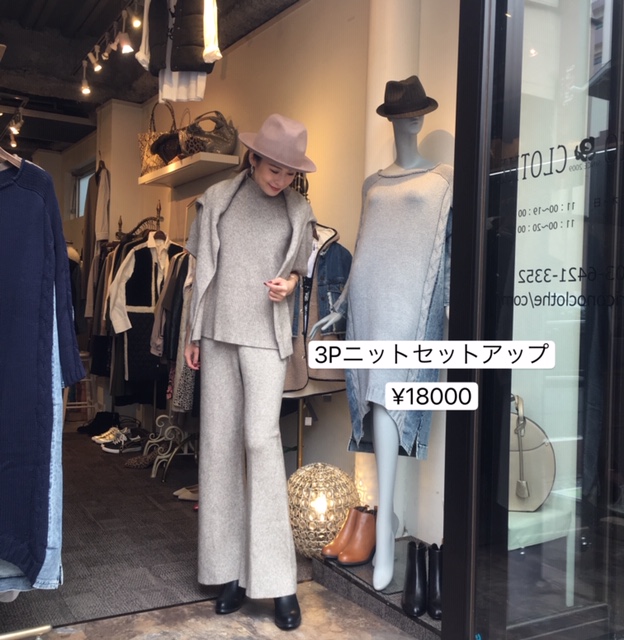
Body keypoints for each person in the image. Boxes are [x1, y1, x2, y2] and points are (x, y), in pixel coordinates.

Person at [311, 76, 452, 591]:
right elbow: (364, 246)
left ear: (423, 116)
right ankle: (383, 524)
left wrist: (452, 304)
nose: (409, 121)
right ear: (392, 120)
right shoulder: (371, 183)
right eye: (400, 114)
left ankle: (386, 533)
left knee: (392, 402)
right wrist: (341, 306)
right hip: (370, 303)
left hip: (410, 304)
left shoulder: (444, 179)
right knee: (374, 403)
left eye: (415, 113)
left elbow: (448, 250)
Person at [184, 113, 316, 630]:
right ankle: (230, 573)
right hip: (218, 334)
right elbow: (198, 274)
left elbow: (299, 273)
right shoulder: (218, 198)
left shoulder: (298, 210)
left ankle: (279, 582)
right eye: (274, 168)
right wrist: (193, 335)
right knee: (219, 447)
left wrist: (289, 287)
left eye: (289, 172)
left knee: (261, 443)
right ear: (255, 157)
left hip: (266, 338)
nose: (280, 179)